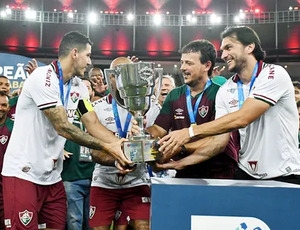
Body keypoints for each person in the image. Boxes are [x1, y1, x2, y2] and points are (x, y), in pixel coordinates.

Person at [1, 31, 130, 230]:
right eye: (88, 55)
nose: (90, 62)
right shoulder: (42, 78)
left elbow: (92, 123)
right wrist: (107, 147)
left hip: (52, 178)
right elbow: (63, 127)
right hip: (23, 173)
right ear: (75, 53)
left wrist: (118, 144)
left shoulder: (78, 86)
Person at [158, 26, 300, 183]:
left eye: (229, 47)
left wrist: (189, 133)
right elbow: (219, 142)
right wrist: (180, 163)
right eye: (222, 50)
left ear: (250, 47)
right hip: (246, 174)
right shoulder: (226, 89)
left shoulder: (273, 74)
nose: (223, 55)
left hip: (285, 173)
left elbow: (243, 118)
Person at [146, 39, 238, 179]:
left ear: (207, 65)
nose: (182, 67)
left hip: (218, 172)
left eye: (189, 63)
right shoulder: (174, 95)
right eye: (182, 62)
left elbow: (218, 141)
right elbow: (159, 129)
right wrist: (142, 132)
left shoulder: (220, 93)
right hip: (185, 171)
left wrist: (181, 147)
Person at [89, 57, 151, 230]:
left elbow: (157, 138)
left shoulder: (148, 105)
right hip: (104, 182)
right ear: (110, 78)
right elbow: (94, 152)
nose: (123, 78)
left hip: (137, 182)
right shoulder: (97, 108)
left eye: (127, 72)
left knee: (143, 226)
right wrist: (118, 159)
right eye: (117, 74)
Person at [62, 77, 96, 230]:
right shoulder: (65, 112)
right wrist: (58, 149)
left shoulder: (97, 113)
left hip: (95, 176)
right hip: (71, 174)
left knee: (91, 223)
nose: (83, 90)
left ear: (92, 92)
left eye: (87, 87)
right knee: (74, 221)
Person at [0, 92, 13, 230]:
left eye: (4, 105)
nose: (0, 108)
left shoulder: (14, 127)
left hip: (6, 187)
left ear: (9, 108)